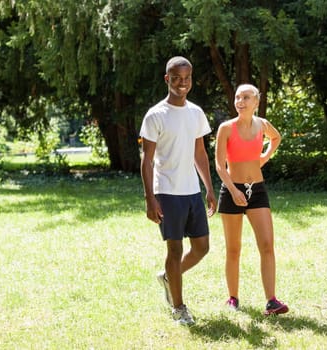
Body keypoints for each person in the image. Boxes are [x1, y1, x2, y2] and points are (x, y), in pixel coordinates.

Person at [140, 56, 217, 325]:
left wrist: (209, 187)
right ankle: (179, 307)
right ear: (167, 79)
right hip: (167, 192)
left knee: (202, 247)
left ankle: (168, 277)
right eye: (176, 78)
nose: (182, 83)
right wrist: (150, 199)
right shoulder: (155, 115)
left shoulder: (196, 113)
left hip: (191, 191)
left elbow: (200, 153)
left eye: (186, 78)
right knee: (174, 250)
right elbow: (146, 161)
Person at [215, 83, 288, 315]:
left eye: (246, 97)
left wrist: (264, 157)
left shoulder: (262, 125)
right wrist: (233, 191)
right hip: (231, 191)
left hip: (256, 191)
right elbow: (218, 165)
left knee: (267, 245)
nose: (240, 101)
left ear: (256, 102)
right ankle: (233, 298)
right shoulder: (226, 128)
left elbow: (276, 138)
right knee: (233, 249)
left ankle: (271, 301)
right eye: (237, 97)